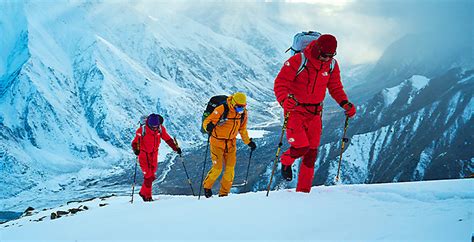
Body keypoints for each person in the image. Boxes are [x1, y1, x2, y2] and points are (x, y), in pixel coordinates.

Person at [273, 34, 356, 193]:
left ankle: (304, 193)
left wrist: (345, 103)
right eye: (325, 55)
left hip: (316, 113)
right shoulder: (298, 61)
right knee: (301, 147)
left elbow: (335, 87)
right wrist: (284, 100)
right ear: (317, 49)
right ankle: (286, 160)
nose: (327, 59)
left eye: (331, 56)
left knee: (311, 153)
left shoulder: (331, 64)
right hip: (295, 110)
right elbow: (280, 84)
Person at [202, 92, 257, 197]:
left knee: (230, 170)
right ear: (233, 102)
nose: (241, 109)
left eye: (243, 106)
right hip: (217, 142)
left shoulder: (243, 114)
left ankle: (224, 194)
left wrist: (248, 142)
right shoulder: (222, 109)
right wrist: (208, 127)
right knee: (217, 168)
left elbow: (242, 129)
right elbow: (206, 122)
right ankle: (207, 187)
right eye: (239, 106)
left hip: (231, 143)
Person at [131, 113, 182, 201]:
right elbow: (134, 143)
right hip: (143, 154)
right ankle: (147, 196)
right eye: (153, 126)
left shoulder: (160, 129)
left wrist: (175, 148)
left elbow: (168, 139)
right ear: (149, 125)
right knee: (148, 175)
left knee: (152, 176)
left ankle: (143, 192)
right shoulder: (141, 130)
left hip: (154, 154)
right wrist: (136, 150)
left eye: (156, 126)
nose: (155, 128)